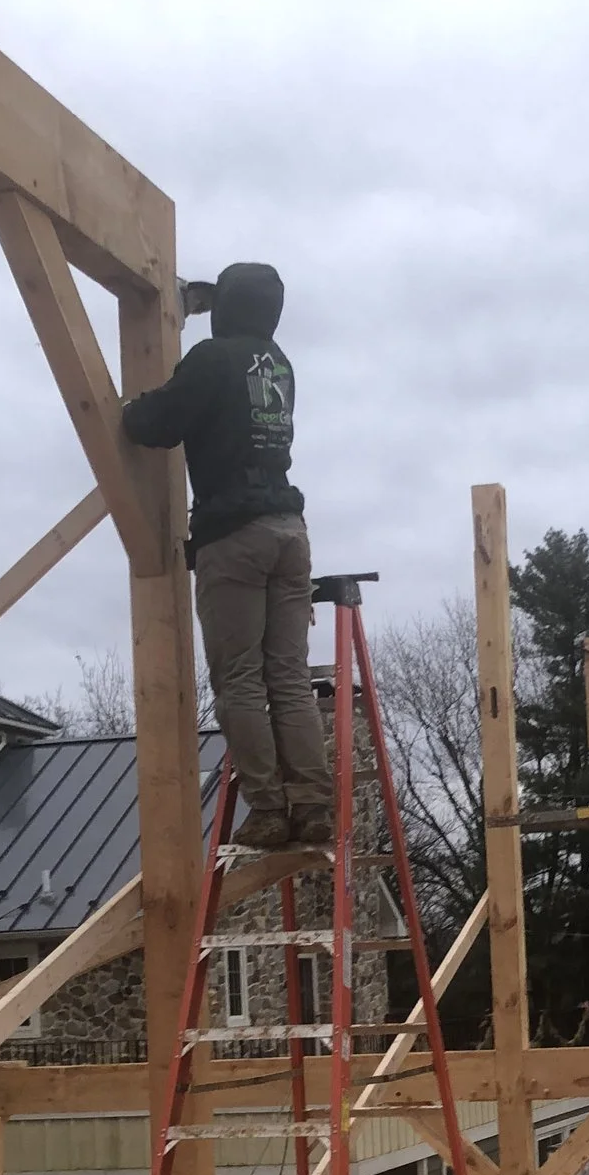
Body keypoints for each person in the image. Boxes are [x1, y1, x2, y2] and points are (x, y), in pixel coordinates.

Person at [122, 261, 331, 850]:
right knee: (287, 678)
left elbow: (155, 425)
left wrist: (128, 407)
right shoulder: (278, 363)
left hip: (235, 535)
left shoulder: (212, 362)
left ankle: (267, 809)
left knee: (240, 679)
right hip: (291, 530)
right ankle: (311, 806)